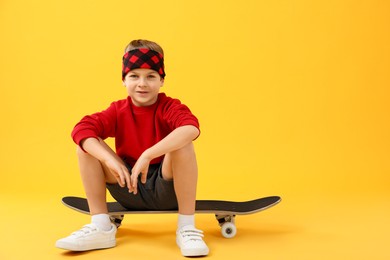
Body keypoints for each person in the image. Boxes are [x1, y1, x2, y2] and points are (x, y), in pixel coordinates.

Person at [56, 39, 209, 257]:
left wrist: (149, 154)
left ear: (162, 80)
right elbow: (81, 128)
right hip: (128, 185)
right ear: (124, 80)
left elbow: (191, 128)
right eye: (134, 76)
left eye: (151, 76)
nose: (142, 84)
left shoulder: (170, 107)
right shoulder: (118, 111)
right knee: (86, 146)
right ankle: (101, 226)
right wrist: (109, 160)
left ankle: (187, 227)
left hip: (167, 189)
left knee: (182, 143)